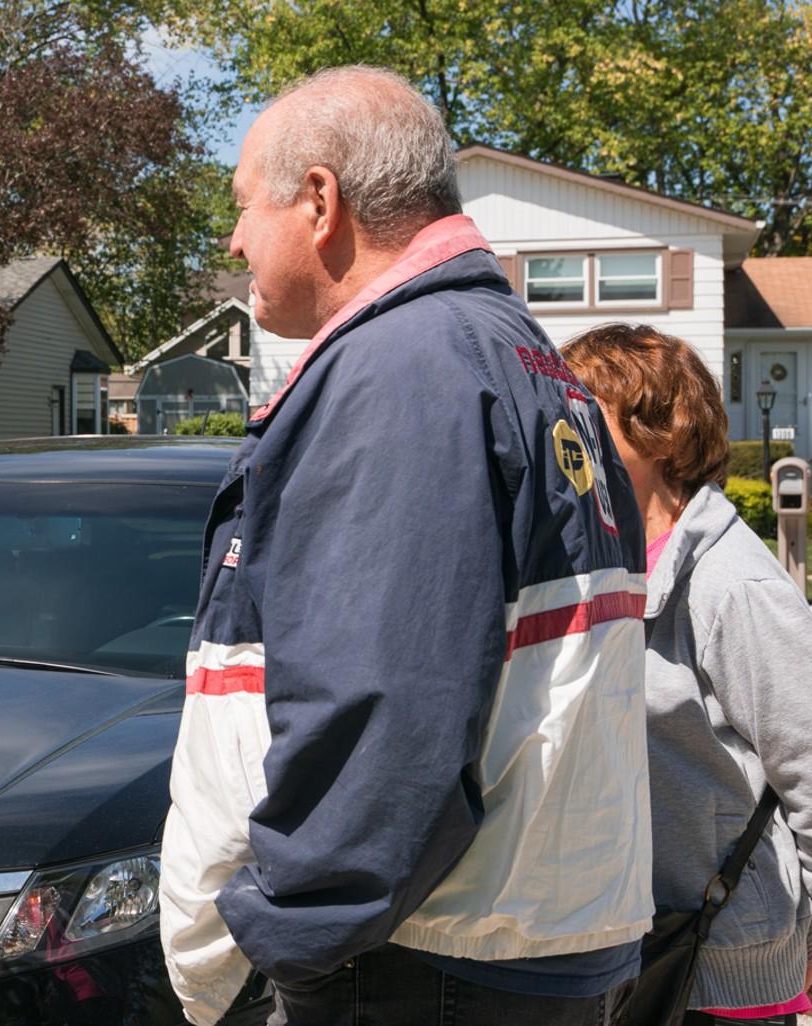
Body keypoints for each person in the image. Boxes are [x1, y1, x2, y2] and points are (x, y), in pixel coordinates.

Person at [159, 65, 653, 1025]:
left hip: (419, 962)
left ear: (318, 202)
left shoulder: (404, 371)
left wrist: (286, 933)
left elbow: (384, 707)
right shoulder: (521, 358)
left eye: (242, 206)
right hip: (517, 942)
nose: (233, 239)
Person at [563, 324, 812, 1026]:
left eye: (584, 410)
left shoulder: (733, 584)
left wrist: (804, 944)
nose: (561, 430)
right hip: (633, 954)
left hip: (728, 967)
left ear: (660, 430)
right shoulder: (605, 563)